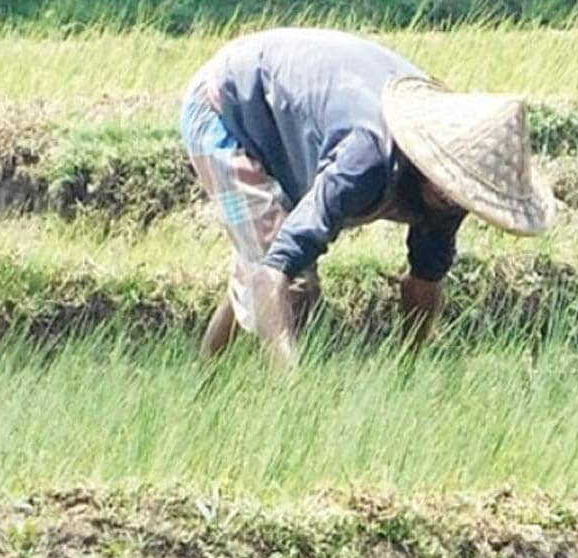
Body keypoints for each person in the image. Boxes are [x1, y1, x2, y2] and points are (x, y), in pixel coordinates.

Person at [179, 27, 555, 367]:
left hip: (293, 122)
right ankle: (266, 401)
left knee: (260, 259)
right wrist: (292, 394)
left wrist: (407, 369)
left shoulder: (457, 185)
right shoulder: (365, 160)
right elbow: (274, 274)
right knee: (290, 284)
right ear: (430, 161)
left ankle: (206, 387)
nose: (456, 204)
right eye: (452, 190)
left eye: (465, 198)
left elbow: (424, 281)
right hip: (226, 109)